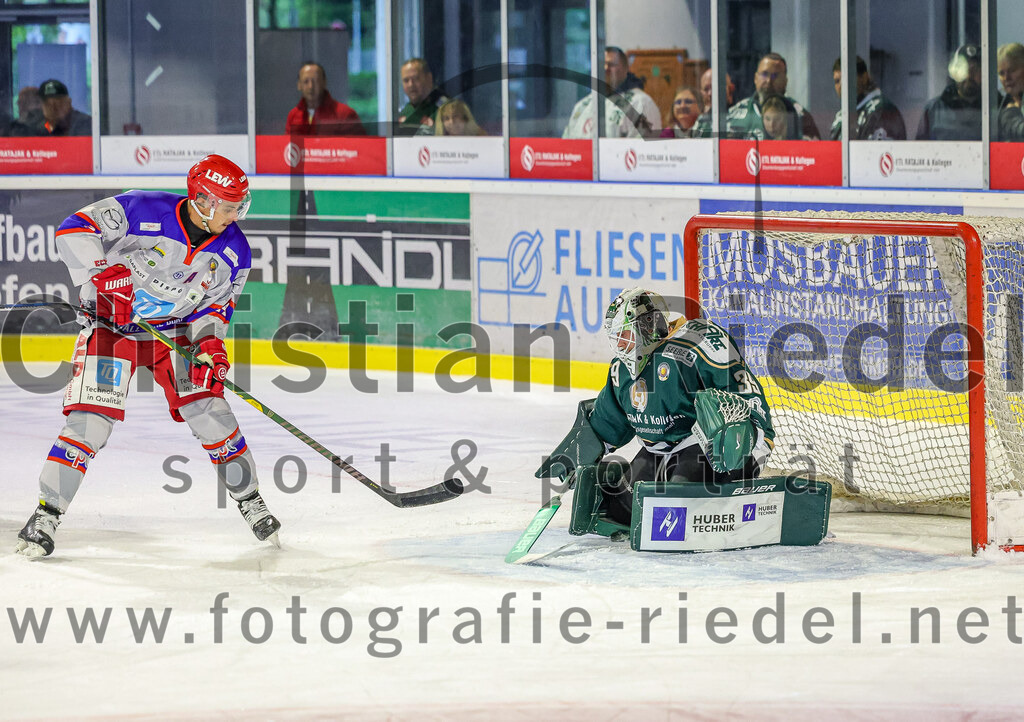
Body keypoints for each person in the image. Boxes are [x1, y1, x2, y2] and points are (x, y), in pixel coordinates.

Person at [15, 155, 281, 558]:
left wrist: (209, 346)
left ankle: (250, 500)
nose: (236, 214)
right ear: (203, 200)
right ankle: (46, 513)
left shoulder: (236, 250)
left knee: (210, 410)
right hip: (112, 327)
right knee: (90, 422)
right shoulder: (144, 208)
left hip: (172, 333)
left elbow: (215, 309)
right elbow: (74, 228)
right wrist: (102, 271)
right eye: (229, 205)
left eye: (238, 205)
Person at [553, 288, 774, 528]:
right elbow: (608, 422)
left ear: (647, 326)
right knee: (624, 511)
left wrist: (749, 442)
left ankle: (730, 492)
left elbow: (749, 399)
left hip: (705, 449)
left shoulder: (701, 344)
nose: (621, 346)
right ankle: (624, 479)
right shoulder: (622, 370)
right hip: (657, 453)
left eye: (625, 335)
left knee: (675, 506)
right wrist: (578, 458)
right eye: (617, 338)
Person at [563, 46, 662, 139]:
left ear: (626, 68)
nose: (606, 68)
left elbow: (645, 150)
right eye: (602, 64)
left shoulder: (641, 103)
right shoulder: (582, 105)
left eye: (612, 64)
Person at [726, 53, 820, 140]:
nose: (769, 81)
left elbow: (813, 153)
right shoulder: (736, 112)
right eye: (764, 74)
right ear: (755, 78)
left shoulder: (799, 116)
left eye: (775, 76)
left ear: (785, 81)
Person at [829, 56, 906, 140]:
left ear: (864, 77)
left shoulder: (881, 111)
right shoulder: (842, 115)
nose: (841, 85)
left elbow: (876, 152)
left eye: (847, 78)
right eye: (837, 81)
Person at [916, 44, 981, 141]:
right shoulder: (934, 109)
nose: (968, 75)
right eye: (963, 69)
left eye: (974, 70)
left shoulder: (999, 107)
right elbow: (920, 150)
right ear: (954, 72)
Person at [286, 61, 365, 136]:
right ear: (299, 85)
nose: (311, 86)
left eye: (315, 81)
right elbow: (287, 147)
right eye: (306, 81)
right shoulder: (293, 115)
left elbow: (358, 147)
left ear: (324, 82)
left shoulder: (345, 114)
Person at [397, 58, 448, 136]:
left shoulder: (446, 109)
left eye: (416, 79)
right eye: (406, 80)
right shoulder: (403, 113)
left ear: (429, 78)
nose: (411, 84)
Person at [696, 68, 735, 137]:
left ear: (730, 89)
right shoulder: (700, 123)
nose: (710, 93)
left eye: (715, 87)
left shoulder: (744, 115)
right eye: (706, 89)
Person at [997, 43, 1024, 141]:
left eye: (1012, 70)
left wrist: (1011, 117)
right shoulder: (999, 104)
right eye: (1001, 73)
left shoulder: (1009, 112)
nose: (1006, 78)